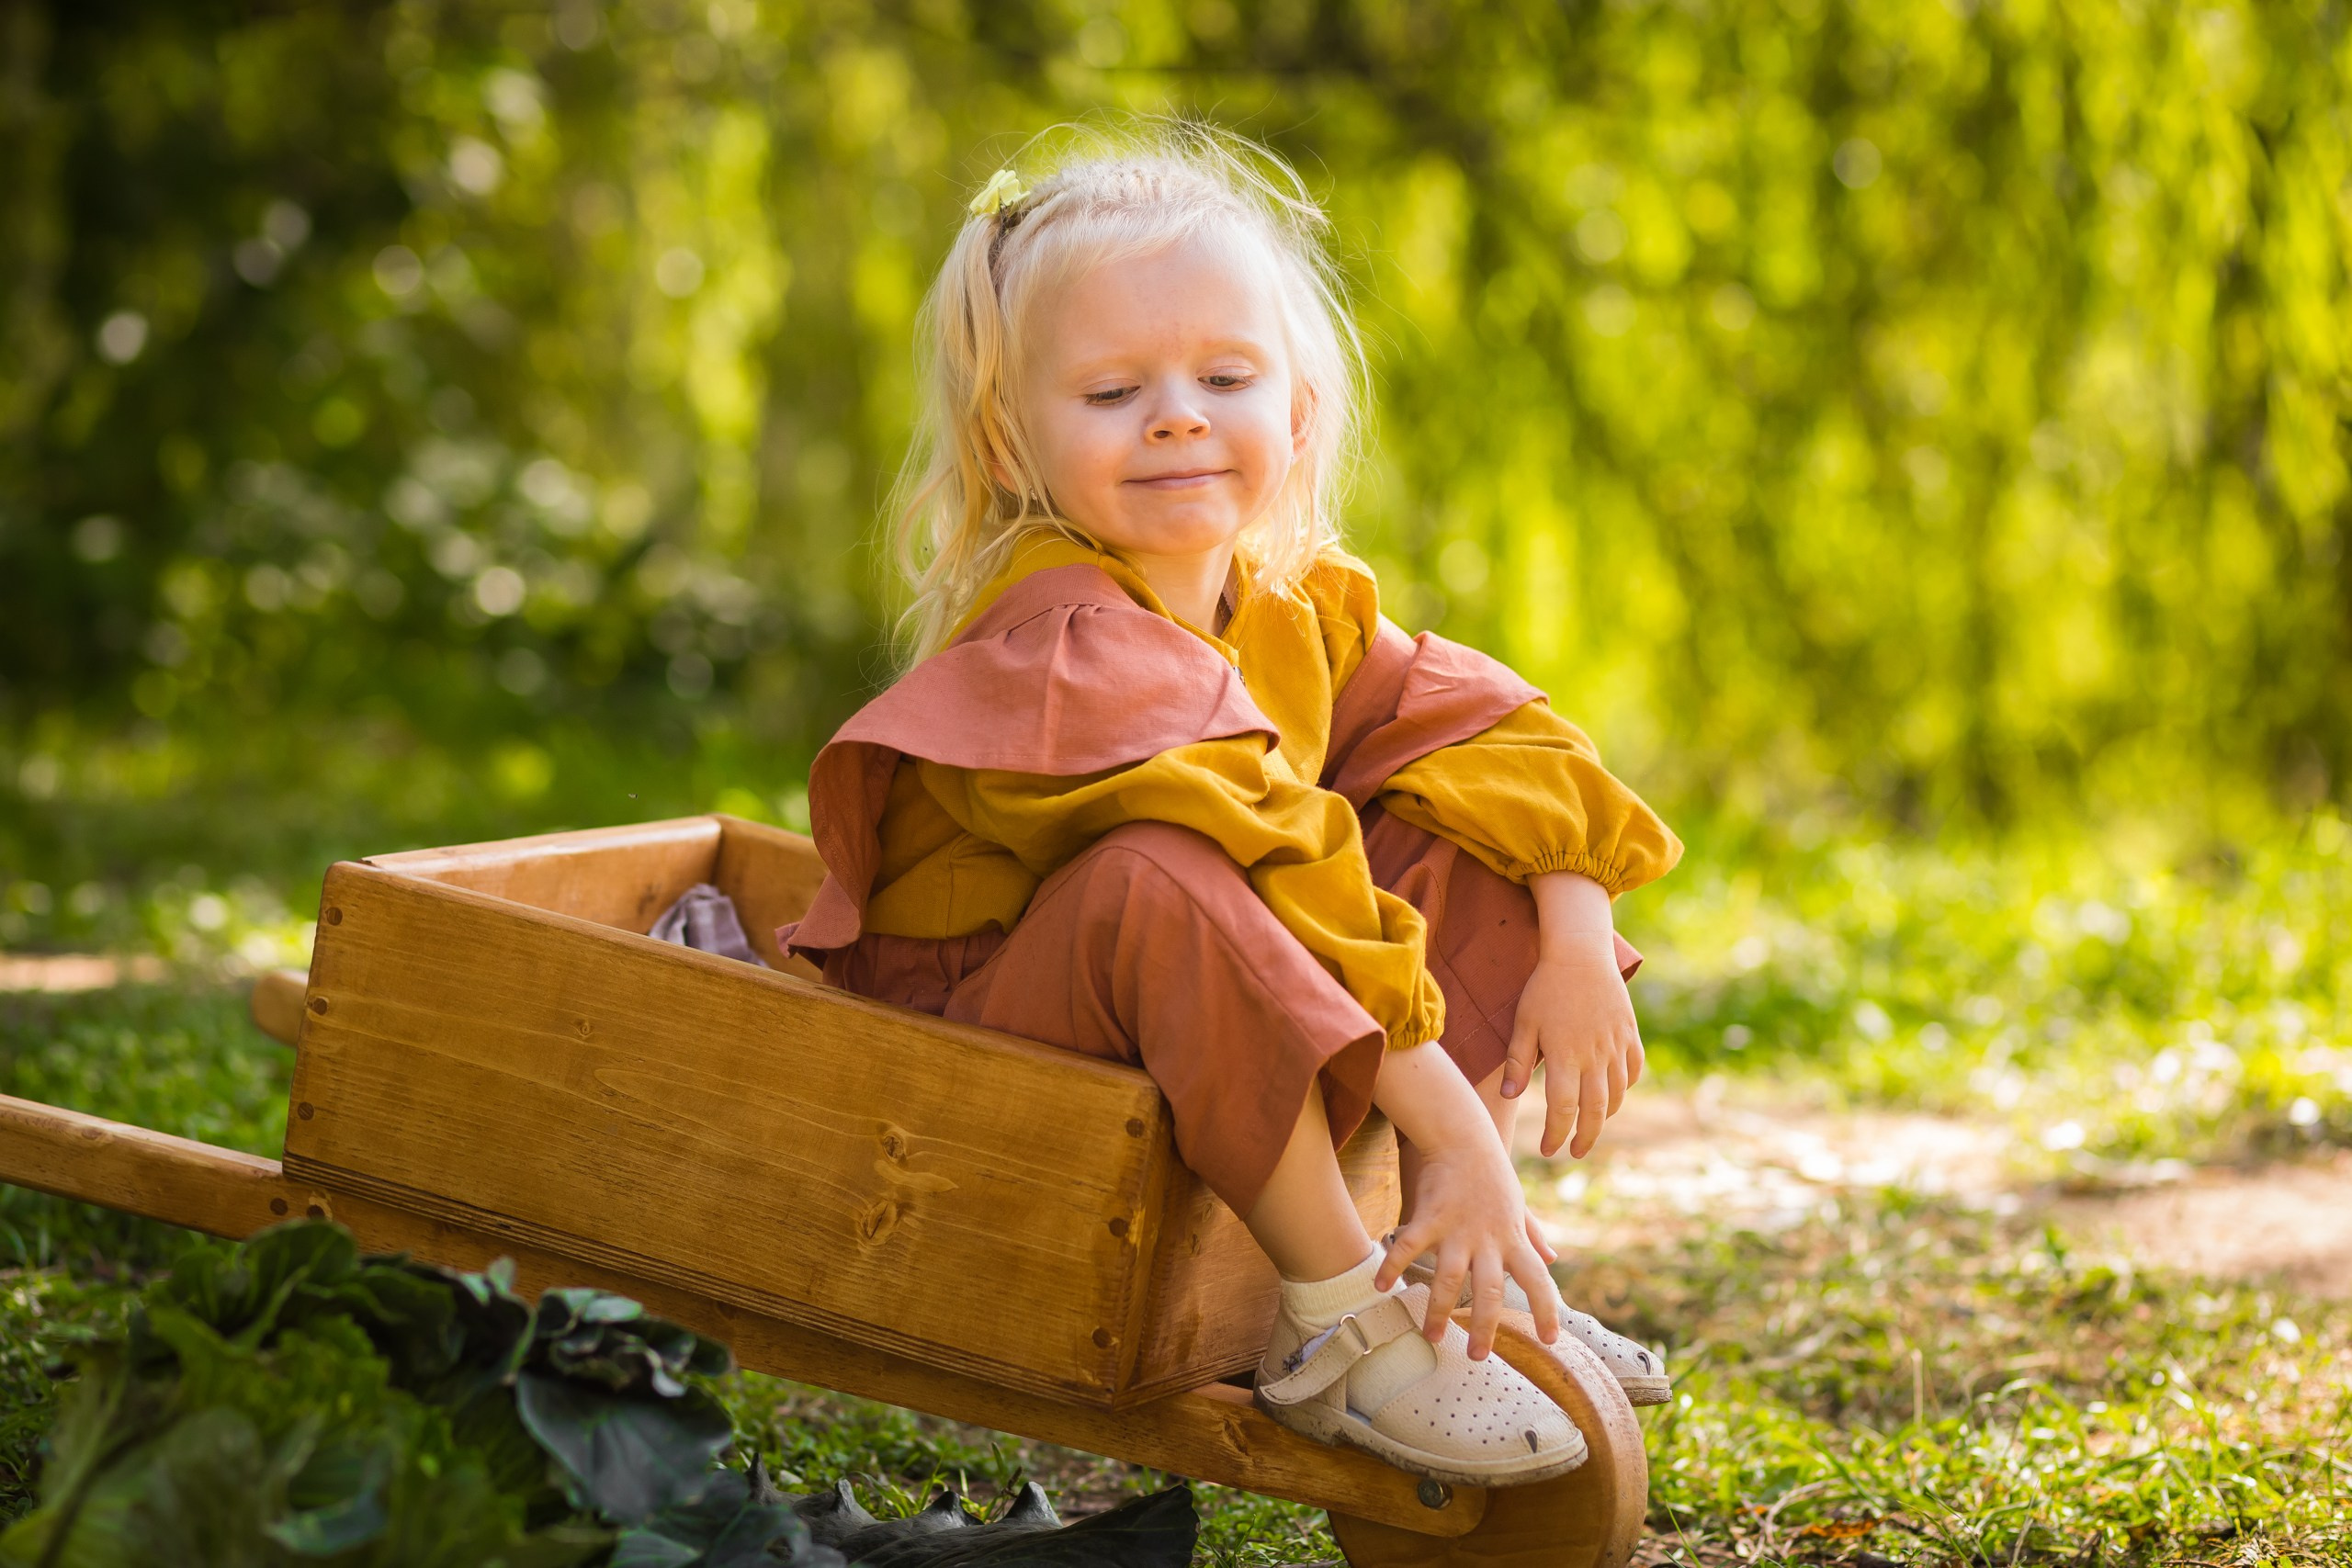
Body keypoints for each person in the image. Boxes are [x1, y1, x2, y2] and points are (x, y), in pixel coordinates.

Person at [784, 126, 1680, 1488]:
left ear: (1298, 413)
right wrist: (1452, 1118)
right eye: (1113, 391)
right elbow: (1275, 860)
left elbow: (1491, 728)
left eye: (1224, 377)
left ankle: (1455, 1263)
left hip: (1199, 1030)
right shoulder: (1062, 632)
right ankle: (1336, 1322)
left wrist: (1572, 930)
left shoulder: (1289, 610)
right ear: (1009, 439)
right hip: (991, 1058)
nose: (1177, 417)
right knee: (1163, 870)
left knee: (1459, 822)